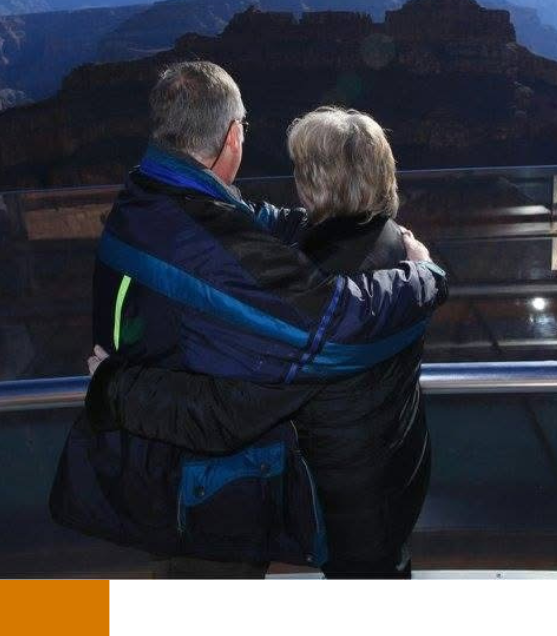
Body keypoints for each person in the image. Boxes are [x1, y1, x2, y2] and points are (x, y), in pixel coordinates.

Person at [50, 63, 447, 578]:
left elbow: (244, 401)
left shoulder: (148, 197)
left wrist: (113, 388)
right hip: (398, 470)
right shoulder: (392, 244)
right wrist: (427, 273)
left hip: (306, 494)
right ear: (233, 134)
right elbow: (246, 241)